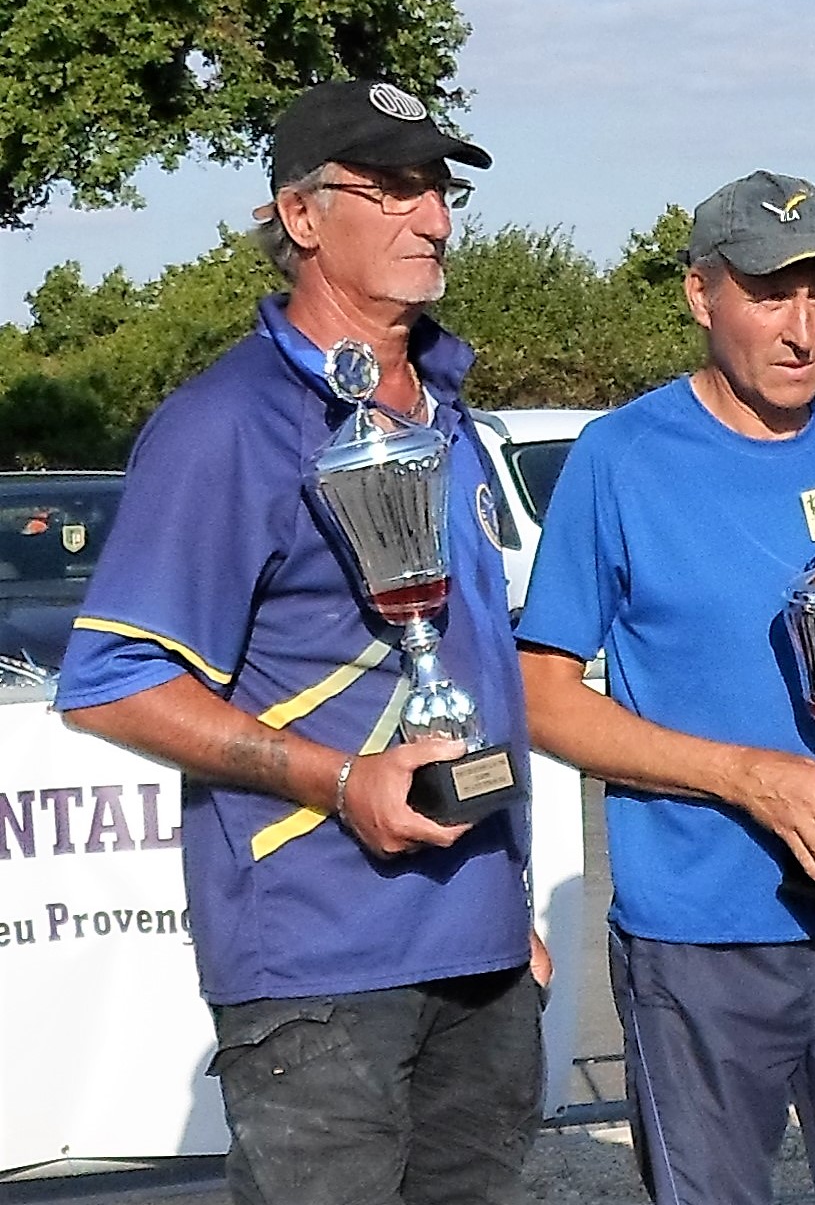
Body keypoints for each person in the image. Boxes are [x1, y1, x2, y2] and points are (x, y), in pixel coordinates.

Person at [56, 80, 544, 1205]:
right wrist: (338, 781)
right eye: (392, 189)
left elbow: (466, 679)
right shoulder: (226, 421)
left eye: (438, 188)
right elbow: (113, 682)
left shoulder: (452, 413)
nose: (434, 219)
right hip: (321, 974)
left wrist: (506, 915)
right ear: (304, 215)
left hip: (480, 951)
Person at [516, 170, 815, 1205]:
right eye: (771, 291)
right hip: (700, 940)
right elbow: (541, 694)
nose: (804, 326)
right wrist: (744, 776)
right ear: (700, 294)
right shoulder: (621, 458)